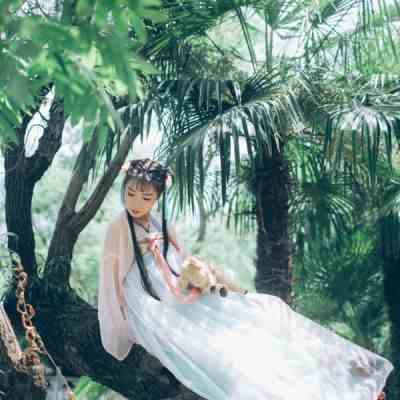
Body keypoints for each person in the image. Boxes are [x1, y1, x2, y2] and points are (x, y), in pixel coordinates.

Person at [97, 158, 394, 400]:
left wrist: (203, 279)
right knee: (218, 351)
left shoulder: (159, 221)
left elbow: (182, 258)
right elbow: (110, 279)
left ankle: (340, 384)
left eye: (146, 197)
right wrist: (119, 326)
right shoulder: (119, 227)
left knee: (255, 318)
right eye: (130, 193)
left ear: (158, 197)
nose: (136, 202)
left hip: (178, 286)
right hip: (151, 298)